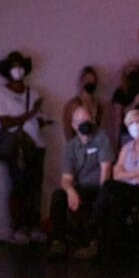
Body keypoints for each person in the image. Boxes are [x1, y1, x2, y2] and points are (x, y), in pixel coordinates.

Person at [90, 109, 139, 258]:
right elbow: (116, 174)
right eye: (131, 122)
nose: (135, 125)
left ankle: (92, 227)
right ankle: (110, 246)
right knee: (113, 199)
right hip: (126, 190)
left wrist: (129, 174)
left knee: (108, 186)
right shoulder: (126, 148)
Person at [0, 50, 48, 244]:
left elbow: (37, 118)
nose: (18, 70)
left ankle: (34, 226)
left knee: (35, 186)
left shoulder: (32, 92)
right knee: (19, 186)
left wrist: (41, 118)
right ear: (8, 71)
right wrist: (31, 113)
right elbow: (5, 123)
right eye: (13, 66)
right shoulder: (2, 93)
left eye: (20, 66)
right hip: (17, 146)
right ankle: (18, 228)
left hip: (36, 144)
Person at [48, 105, 114, 258]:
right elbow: (66, 179)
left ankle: (93, 243)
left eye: (87, 119)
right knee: (59, 195)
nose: (84, 123)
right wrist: (70, 191)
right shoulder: (71, 147)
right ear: (73, 125)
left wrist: (101, 196)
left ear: (92, 120)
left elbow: (106, 172)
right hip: (80, 187)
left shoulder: (101, 138)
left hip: (99, 187)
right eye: (80, 121)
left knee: (99, 198)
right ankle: (58, 242)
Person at [62, 66, 105, 138]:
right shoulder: (73, 104)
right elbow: (67, 128)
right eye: (87, 79)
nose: (90, 82)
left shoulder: (99, 105)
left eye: (92, 80)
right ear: (82, 81)